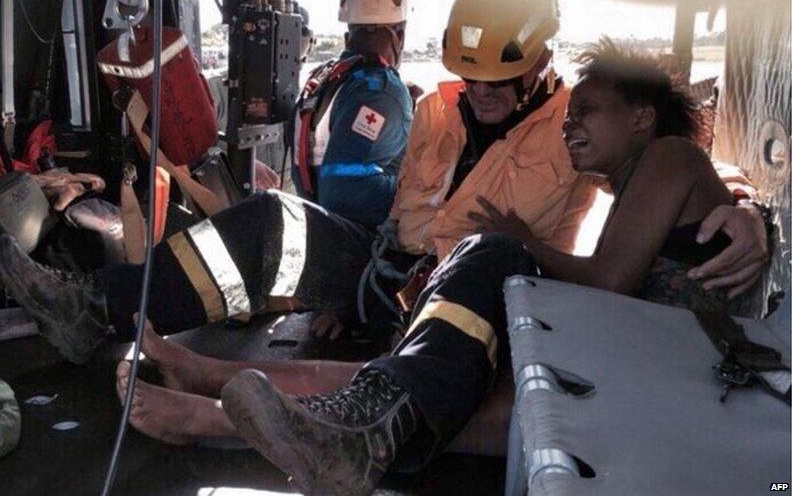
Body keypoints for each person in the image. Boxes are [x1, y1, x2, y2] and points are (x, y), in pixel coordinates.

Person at [0, 0, 769, 460]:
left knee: (479, 271)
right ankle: (97, 308)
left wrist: (746, 209)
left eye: (499, 82)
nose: (481, 94)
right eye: (471, 79)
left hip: (470, 305)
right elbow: (396, 205)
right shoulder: (435, 108)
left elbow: (676, 169)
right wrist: (351, 287)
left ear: (539, 66)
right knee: (272, 221)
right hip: (388, 279)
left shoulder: (575, 128)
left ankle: (276, 405)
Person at [218, 39, 775, 495]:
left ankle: (359, 425)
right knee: (442, 370)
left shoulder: (668, 156)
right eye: (569, 113)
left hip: (680, 369)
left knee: (494, 255)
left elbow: (610, 281)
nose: (568, 125)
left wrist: (522, 240)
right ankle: (333, 421)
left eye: (587, 112)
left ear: (641, 118)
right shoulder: (641, 176)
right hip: (652, 358)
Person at [291, 0, 413, 226]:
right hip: (359, 246)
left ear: (348, 37)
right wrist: (418, 189)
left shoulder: (321, 80)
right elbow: (344, 192)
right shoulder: (381, 91)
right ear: (398, 38)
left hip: (316, 229)